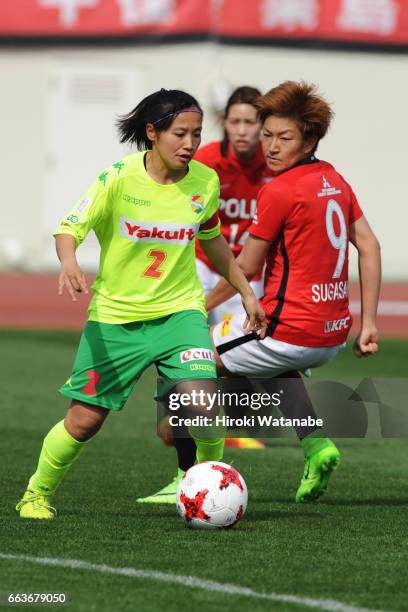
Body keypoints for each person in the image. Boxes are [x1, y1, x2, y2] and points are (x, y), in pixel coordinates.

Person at [16, 88, 266, 520]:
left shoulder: (204, 182)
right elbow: (69, 228)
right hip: (116, 319)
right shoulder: (117, 177)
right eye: (180, 134)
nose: (190, 144)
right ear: (152, 132)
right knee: (84, 422)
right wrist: (69, 261)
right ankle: (36, 493)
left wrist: (245, 291)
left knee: (202, 404)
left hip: (180, 313)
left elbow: (214, 243)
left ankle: (210, 484)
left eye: (196, 134)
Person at [207, 81, 381, 503]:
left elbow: (245, 267)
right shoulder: (333, 178)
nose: (271, 146)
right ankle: (316, 444)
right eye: (267, 135)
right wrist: (370, 325)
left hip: (291, 331)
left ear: (310, 139)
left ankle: (195, 475)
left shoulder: (278, 189)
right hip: (333, 335)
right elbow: (371, 246)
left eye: (284, 138)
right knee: (271, 357)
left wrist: (196, 305)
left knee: (191, 355)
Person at [137, 86, 273, 505]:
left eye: (252, 122)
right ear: (225, 124)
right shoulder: (206, 160)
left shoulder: (275, 166)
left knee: (234, 364)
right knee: (187, 365)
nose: (244, 130)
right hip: (197, 268)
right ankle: (183, 461)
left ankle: (224, 438)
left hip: (245, 275)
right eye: (236, 121)